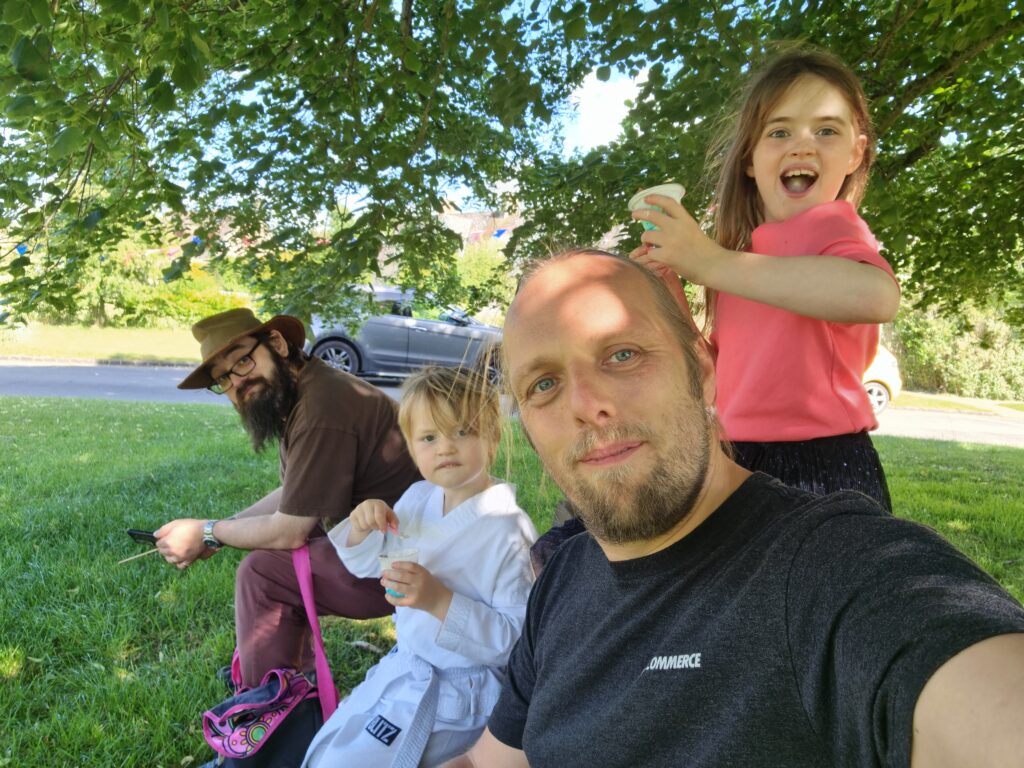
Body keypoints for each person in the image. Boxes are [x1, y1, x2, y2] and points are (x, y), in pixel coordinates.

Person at [443, 249, 1024, 768]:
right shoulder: (562, 581)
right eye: (543, 384)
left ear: (701, 372)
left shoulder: (831, 570)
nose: (586, 405)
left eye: (622, 354)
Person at [630, 47, 901, 511]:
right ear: (751, 160)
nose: (802, 144)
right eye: (779, 131)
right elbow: (710, 376)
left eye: (826, 130)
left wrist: (711, 262)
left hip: (823, 462)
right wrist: (672, 290)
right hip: (734, 458)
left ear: (856, 153)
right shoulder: (744, 261)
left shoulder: (836, 227)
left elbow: (876, 296)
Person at [155, 308, 421, 688]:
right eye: (223, 380)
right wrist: (222, 528)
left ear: (277, 344)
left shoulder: (320, 408)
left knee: (263, 573)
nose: (237, 383)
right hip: (387, 545)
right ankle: (286, 674)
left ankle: (268, 710)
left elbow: (290, 530)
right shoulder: (308, 389)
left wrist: (211, 532)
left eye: (243, 361)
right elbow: (300, 492)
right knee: (279, 557)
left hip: (406, 568)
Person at [302, 365, 536, 767]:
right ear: (412, 448)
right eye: (429, 437)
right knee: (328, 748)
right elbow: (371, 567)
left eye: (461, 431)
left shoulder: (508, 530)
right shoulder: (416, 498)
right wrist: (363, 528)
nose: (445, 447)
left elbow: (515, 643)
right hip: (406, 666)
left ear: (494, 437)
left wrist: (439, 601)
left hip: (460, 691)